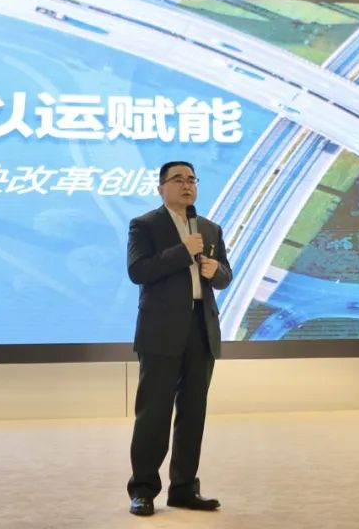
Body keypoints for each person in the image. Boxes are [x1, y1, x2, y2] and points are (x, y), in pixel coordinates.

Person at [126, 160, 232, 517]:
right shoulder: (145, 225)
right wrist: (182, 251)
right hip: (161, 331)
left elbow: (226, 276)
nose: (186, 185)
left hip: (201, 329)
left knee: (193, 412)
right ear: (161, 188)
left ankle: (184, 488)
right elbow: (138, 271)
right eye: (177, 179)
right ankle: (143, 490)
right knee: (153, 414)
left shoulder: (210, 228)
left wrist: (217, 271)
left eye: (191, 179)